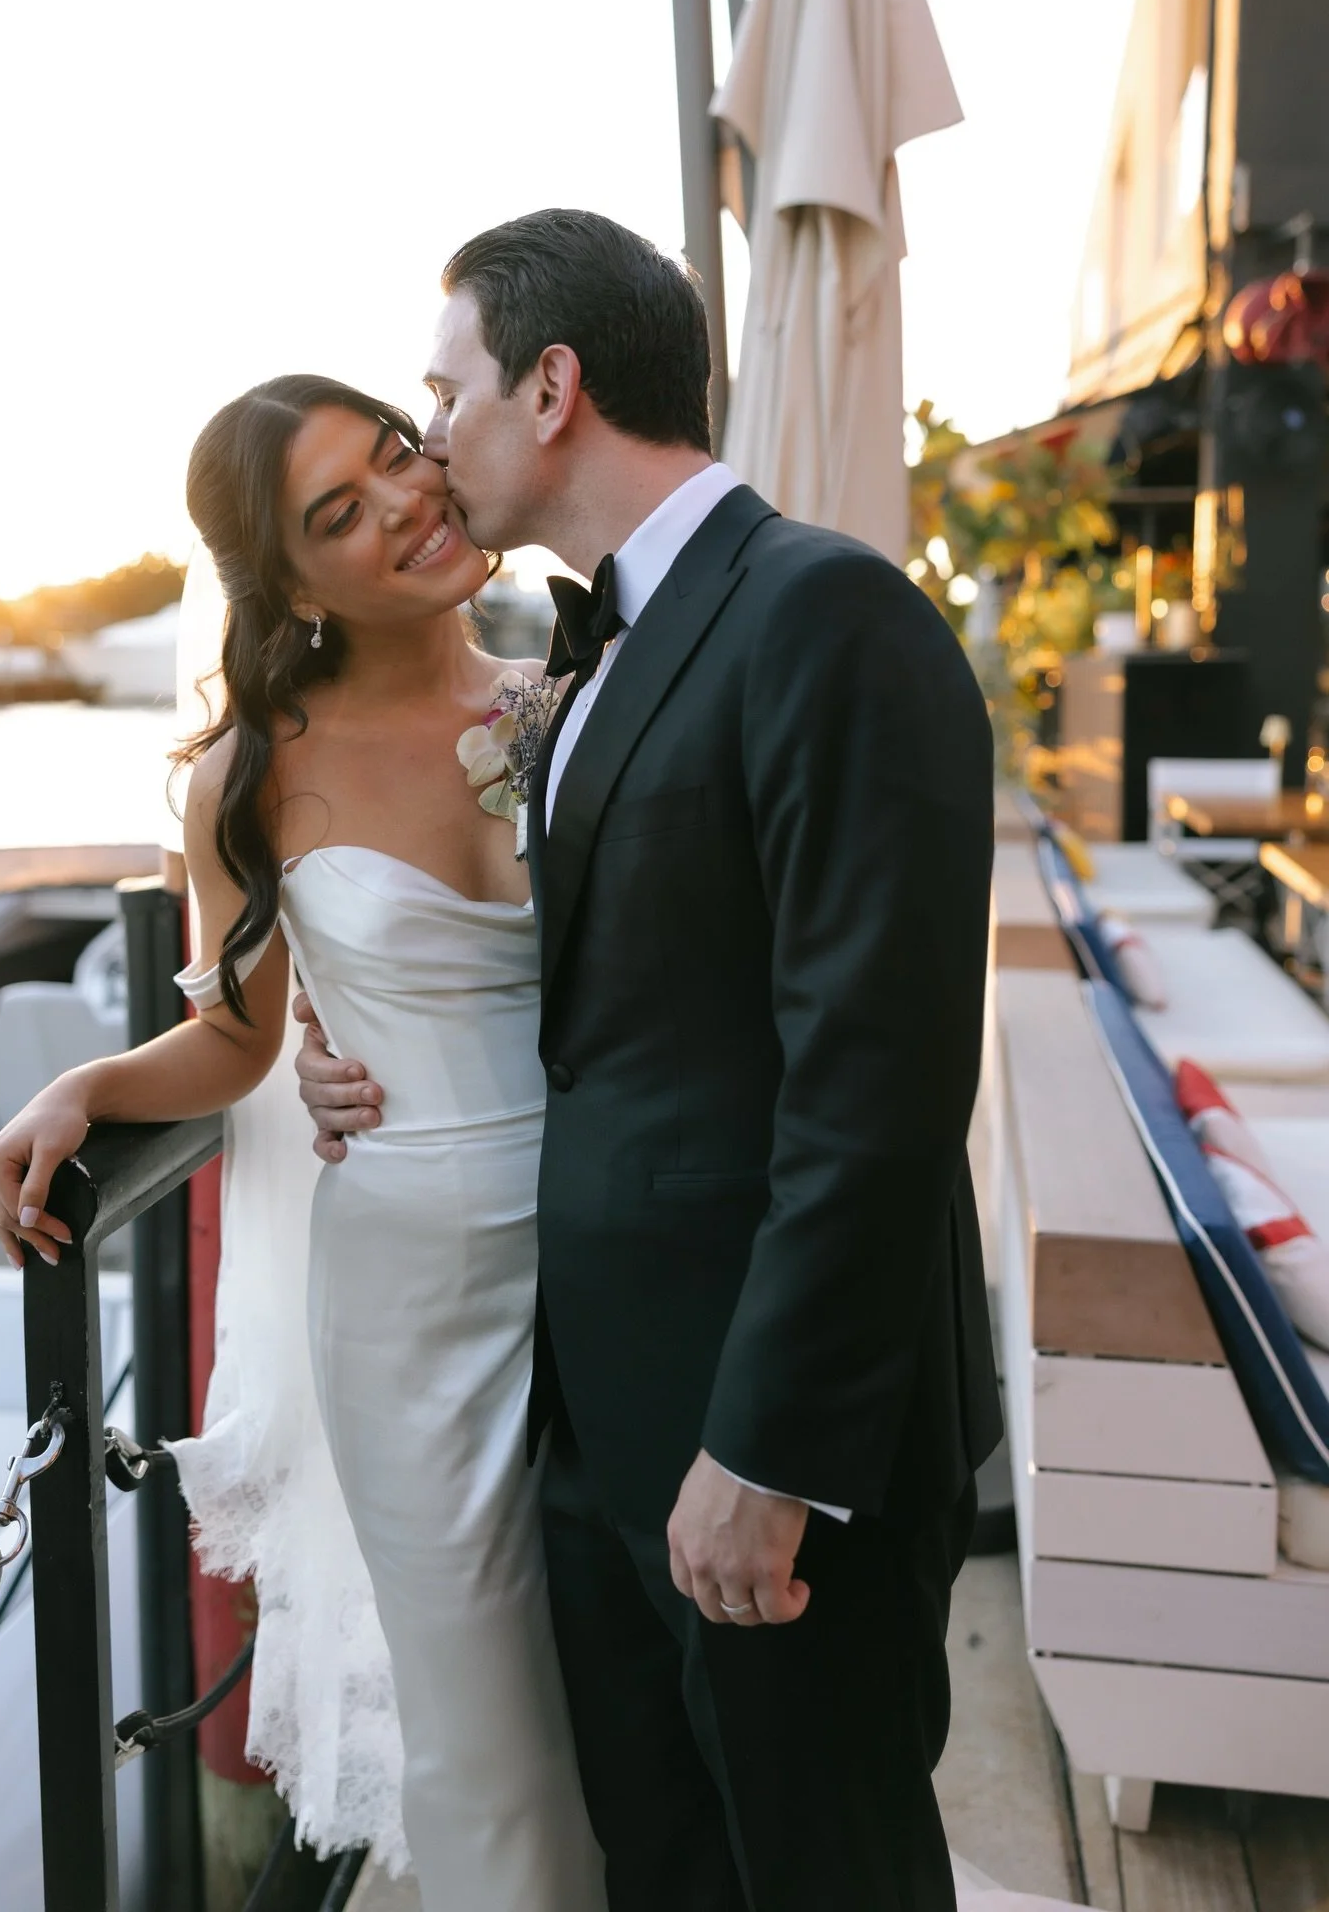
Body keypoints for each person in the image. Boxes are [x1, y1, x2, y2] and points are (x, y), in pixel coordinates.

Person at [294, 208, 1002, 1910]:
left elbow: (879, 1087)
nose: (432, 437)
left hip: (766, 1440)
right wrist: (340, 1041)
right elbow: (603, 994)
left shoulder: (828, 618)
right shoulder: (584, 648)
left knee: (823, 1868)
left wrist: (767, 1458)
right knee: (669, 1866)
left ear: (552, 388)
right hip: (600, 1422)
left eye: (443, 392)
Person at [0, 372, 607, 1912]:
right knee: (481, 1719)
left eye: (396, 455)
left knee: (625, 1683)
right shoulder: (248, 775)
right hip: (406, 1296)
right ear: (291, 583)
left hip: (610, 1245)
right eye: (339, 511)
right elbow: (242, 1036)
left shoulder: (568, 704)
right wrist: (85, 1092)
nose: (404, 500)